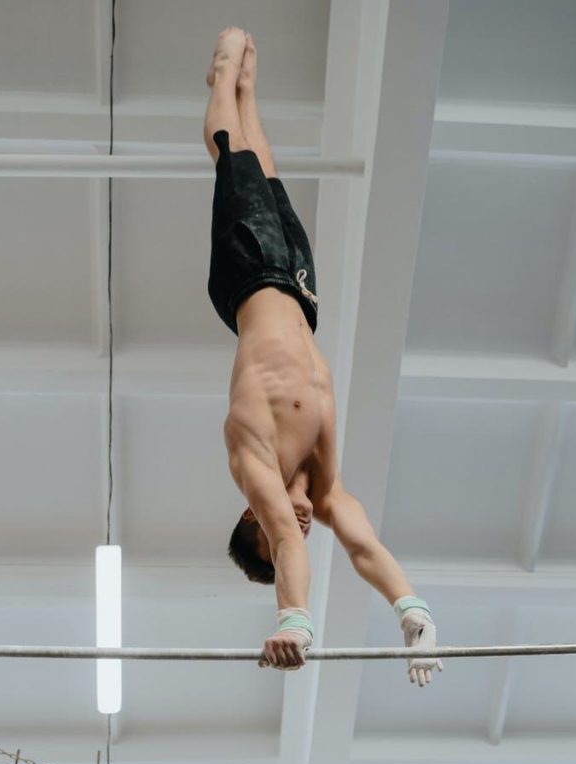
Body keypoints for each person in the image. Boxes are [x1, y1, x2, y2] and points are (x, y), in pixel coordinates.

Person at [205, 28, 442, 685]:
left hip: (248, 279)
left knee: (229, 157)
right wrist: (412, 614)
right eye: (304, 534)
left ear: (255, 511)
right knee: (269, 178)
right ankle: (249, 92)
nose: (300, 526)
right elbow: (365, 547)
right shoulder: (328, 488)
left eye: (274, 524)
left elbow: (283, 542)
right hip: (299, 296)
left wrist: (294, 622)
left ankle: (221, 80)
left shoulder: (252, 462)